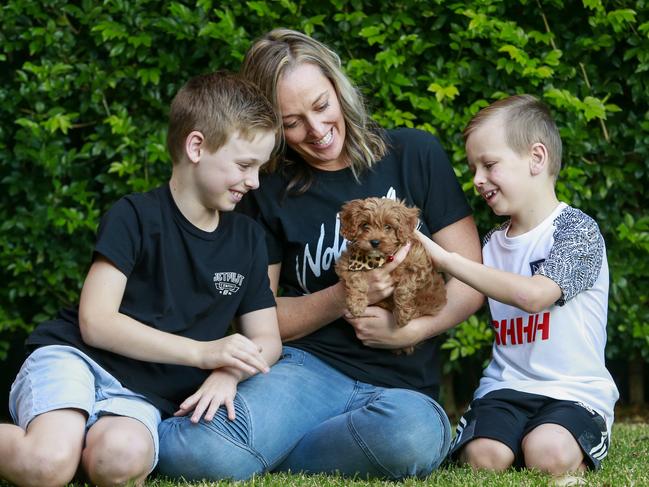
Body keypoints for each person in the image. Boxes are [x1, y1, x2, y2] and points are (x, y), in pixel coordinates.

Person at [158, 28, 483, 481]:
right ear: (271, 127)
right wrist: (346, 294)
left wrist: (411, 329)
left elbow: (471, 278)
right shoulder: (263, 190)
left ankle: (269, 452)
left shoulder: (414, 153)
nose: (315, 131)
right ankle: (275, 444)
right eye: (291, 122)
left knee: (412, 439)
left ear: (338, 88)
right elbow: (260, 316)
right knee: (191, 455)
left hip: (402, 389)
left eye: (320, 105)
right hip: (305, 371)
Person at [0, 71, 282, 487]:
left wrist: (227, 372)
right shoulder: (134, 216)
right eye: (244, 165)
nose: (254, 181)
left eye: (260, 168)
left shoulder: (249, 240)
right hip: (77, 359)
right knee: (47, 464)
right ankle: (55, 442)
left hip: (146, 395)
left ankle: (79, 439)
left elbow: (267, 339)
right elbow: (95, 322)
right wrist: (204, 354)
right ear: (197, 146)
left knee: (119, 460)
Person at [415, 94, 619, 475]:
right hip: (505, 389)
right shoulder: (491, 243)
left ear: (536, 158)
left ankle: (554, 438)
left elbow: (534, 295)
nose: (477, 179)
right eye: (473, 167)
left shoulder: (577, 231)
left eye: (489, 164)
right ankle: (511, 437)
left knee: (549, 454)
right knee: (484, 458)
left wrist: (446, 259)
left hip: (573, 392)